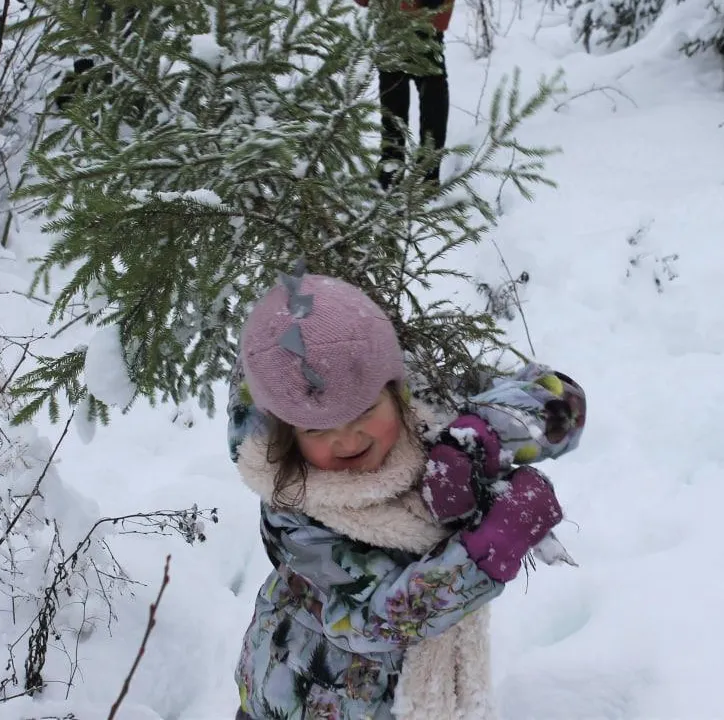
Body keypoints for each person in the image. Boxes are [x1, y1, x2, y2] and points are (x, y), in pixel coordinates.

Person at [228, 263, 586, 719]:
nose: (348, 440)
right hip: (300, 697)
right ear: (287, 433)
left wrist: (486, 432)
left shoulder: (428, 403)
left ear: (394, 389)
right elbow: (380, 618)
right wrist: (489, 549)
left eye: (364, 413)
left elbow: (560, 401)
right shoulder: (295, 513)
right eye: (319, 430)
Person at [353, 0, 455, 189]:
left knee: (432, 103)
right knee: (395, 107)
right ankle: (394, 173)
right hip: (392, 29)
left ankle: (424, 176)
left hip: (426, 25)